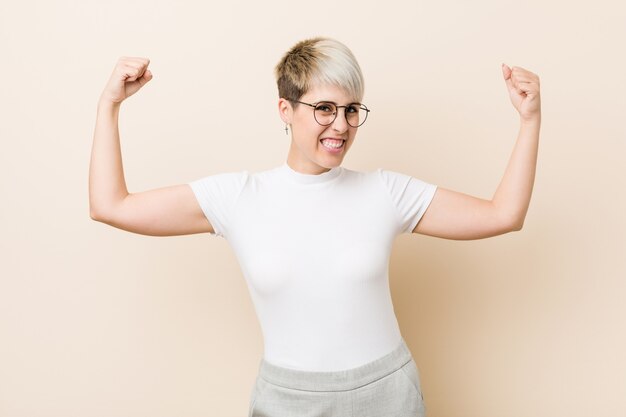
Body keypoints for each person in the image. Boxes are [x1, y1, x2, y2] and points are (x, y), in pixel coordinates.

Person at [89, 37, 541, 417]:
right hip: (285, 401)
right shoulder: (237, 197)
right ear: (285, 109)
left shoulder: (385, 192)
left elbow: (504, 214)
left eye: (351, 110)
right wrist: (108, 105)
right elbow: (111, 206)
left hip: (387, 395)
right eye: (324, 108)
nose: (340, 126)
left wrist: (529, 120)